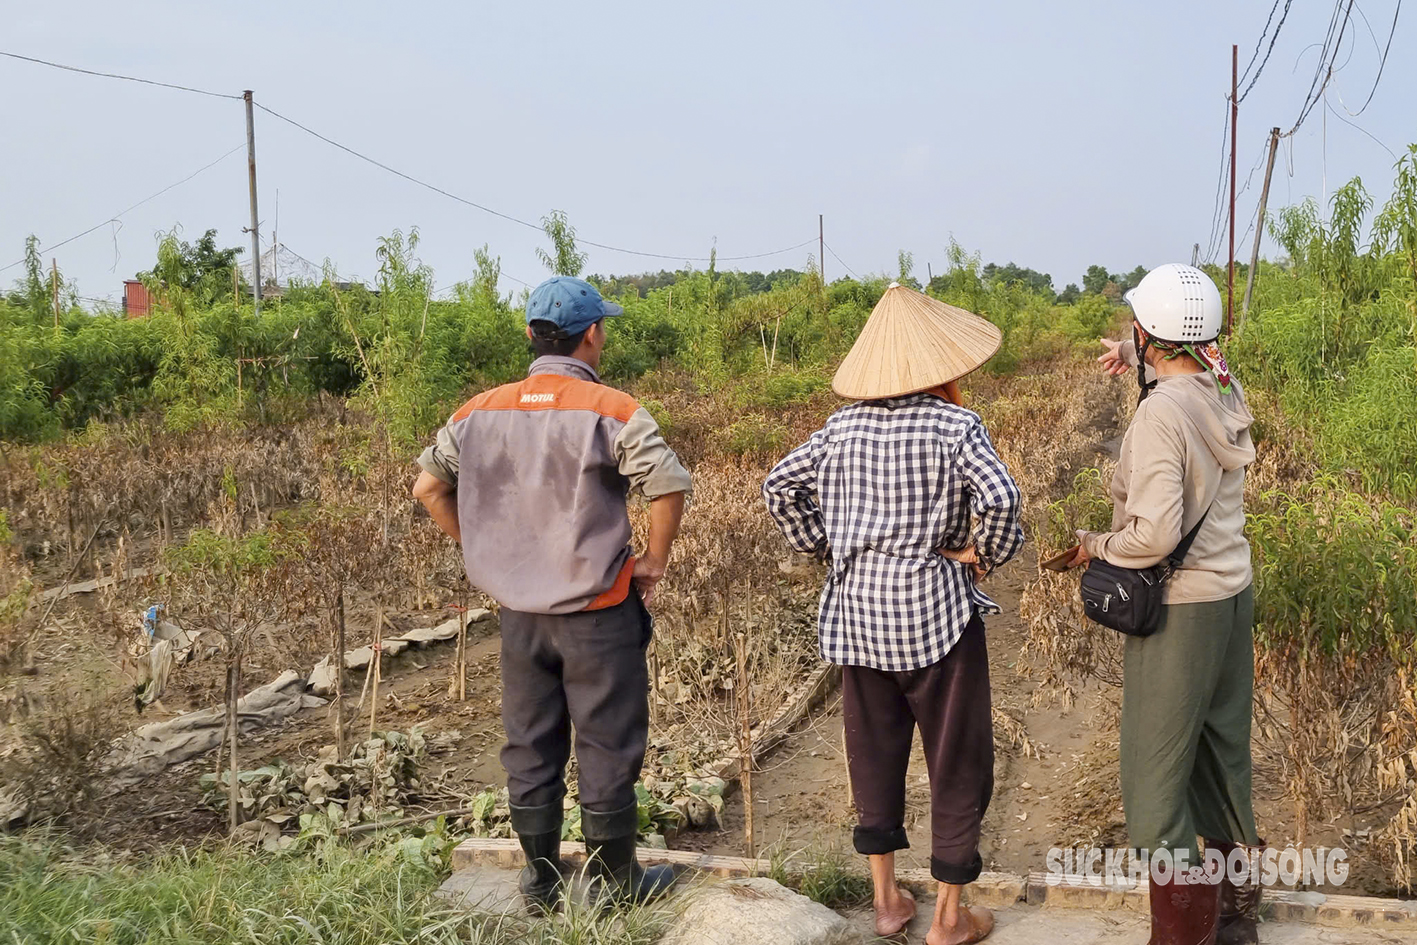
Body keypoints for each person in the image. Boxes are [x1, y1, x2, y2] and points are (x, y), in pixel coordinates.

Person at [412, 276, 692, 911]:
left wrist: (482, 548)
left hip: (519, 618)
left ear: (531, 335)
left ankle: (539, 881)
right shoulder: (612, 409)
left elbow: (428, 488)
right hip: (597, 614)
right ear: (592, 334)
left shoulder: (478, 410)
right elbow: (668, 483)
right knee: (607, 741)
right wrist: (653, 559)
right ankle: (615, 885)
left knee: (529, 740)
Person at [763, 283, 1024, 945]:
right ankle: (946, 916)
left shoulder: (841, 426)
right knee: (957, 760)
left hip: (857, 619)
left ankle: (885, 900)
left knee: (873, 755)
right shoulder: (953, 424)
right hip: (935, 618)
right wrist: (979, 554)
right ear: (939, 364)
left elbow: (778, 484)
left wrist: (826, 545)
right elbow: (1001, 498)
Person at [1069, 263, 1262, 945]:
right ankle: (1236, 918)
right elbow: (1194, 350)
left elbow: (1150, 536)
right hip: (1231, 598)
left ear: (1150, 335)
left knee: (1152, 795)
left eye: (1136, 333)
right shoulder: (1220, 385)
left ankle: (1184, 934)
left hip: (1179, 613)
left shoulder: (1158, 416)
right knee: (1218, 755)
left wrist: (1092, 543)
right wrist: (1135, 352)